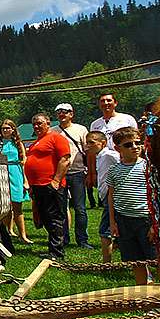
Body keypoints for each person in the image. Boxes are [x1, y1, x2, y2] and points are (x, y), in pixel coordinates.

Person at [107, 127, 155, 285]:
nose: (135, 147)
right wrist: (113, 222)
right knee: (135, 261)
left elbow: (156, 195)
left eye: (138, 143)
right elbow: (111, 197)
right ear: (117, 148)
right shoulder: (114, 171)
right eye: (128, 145)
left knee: (156, 260)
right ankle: (144, 294)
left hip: (146, 220)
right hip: (124, 221)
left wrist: (155, 224)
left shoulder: (148, 167)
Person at [24, 113, 71, 260]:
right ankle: (53, 248)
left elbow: (65, 160)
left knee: (55, 218)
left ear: (48, 123)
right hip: (38, 187)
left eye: (40, 123)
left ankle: (57, 252)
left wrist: (56, 181)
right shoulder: (36, 142)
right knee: (45, 218)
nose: (37, 126)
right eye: (35, 124)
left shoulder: (57, 138)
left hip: (51, 185)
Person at [52, 103, 92, 249]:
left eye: (65, 112)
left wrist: (90, 172)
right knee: (61, 208)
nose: (62, 114)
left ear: (71, 114)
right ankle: (64, 239)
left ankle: (82, 240)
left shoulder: (81, 129)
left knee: (80, 208)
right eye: (59, 112)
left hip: (78, 172)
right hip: (60, 173)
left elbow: (87, 150)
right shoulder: (53, 131)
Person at [85, 131, 120, 263]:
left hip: (113, 196)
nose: (88, 145)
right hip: (105, 195)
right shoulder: (99, 156)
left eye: (92, 143)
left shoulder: (109, 155)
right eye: (87, 142)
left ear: (103, 143)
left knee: (104, 230)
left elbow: (121, 162)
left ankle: (106, 263)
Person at [0, 119, 32, 244]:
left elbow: (24, 162)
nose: (5, 130)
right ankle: (7, 232)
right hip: (2, 173)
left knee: (17, 205)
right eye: (3, 128)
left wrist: (25, 180)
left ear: (13, 130)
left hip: (15, 172)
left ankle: (23, 235)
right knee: (5, 207)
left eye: (8, 128)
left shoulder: (18, 143)